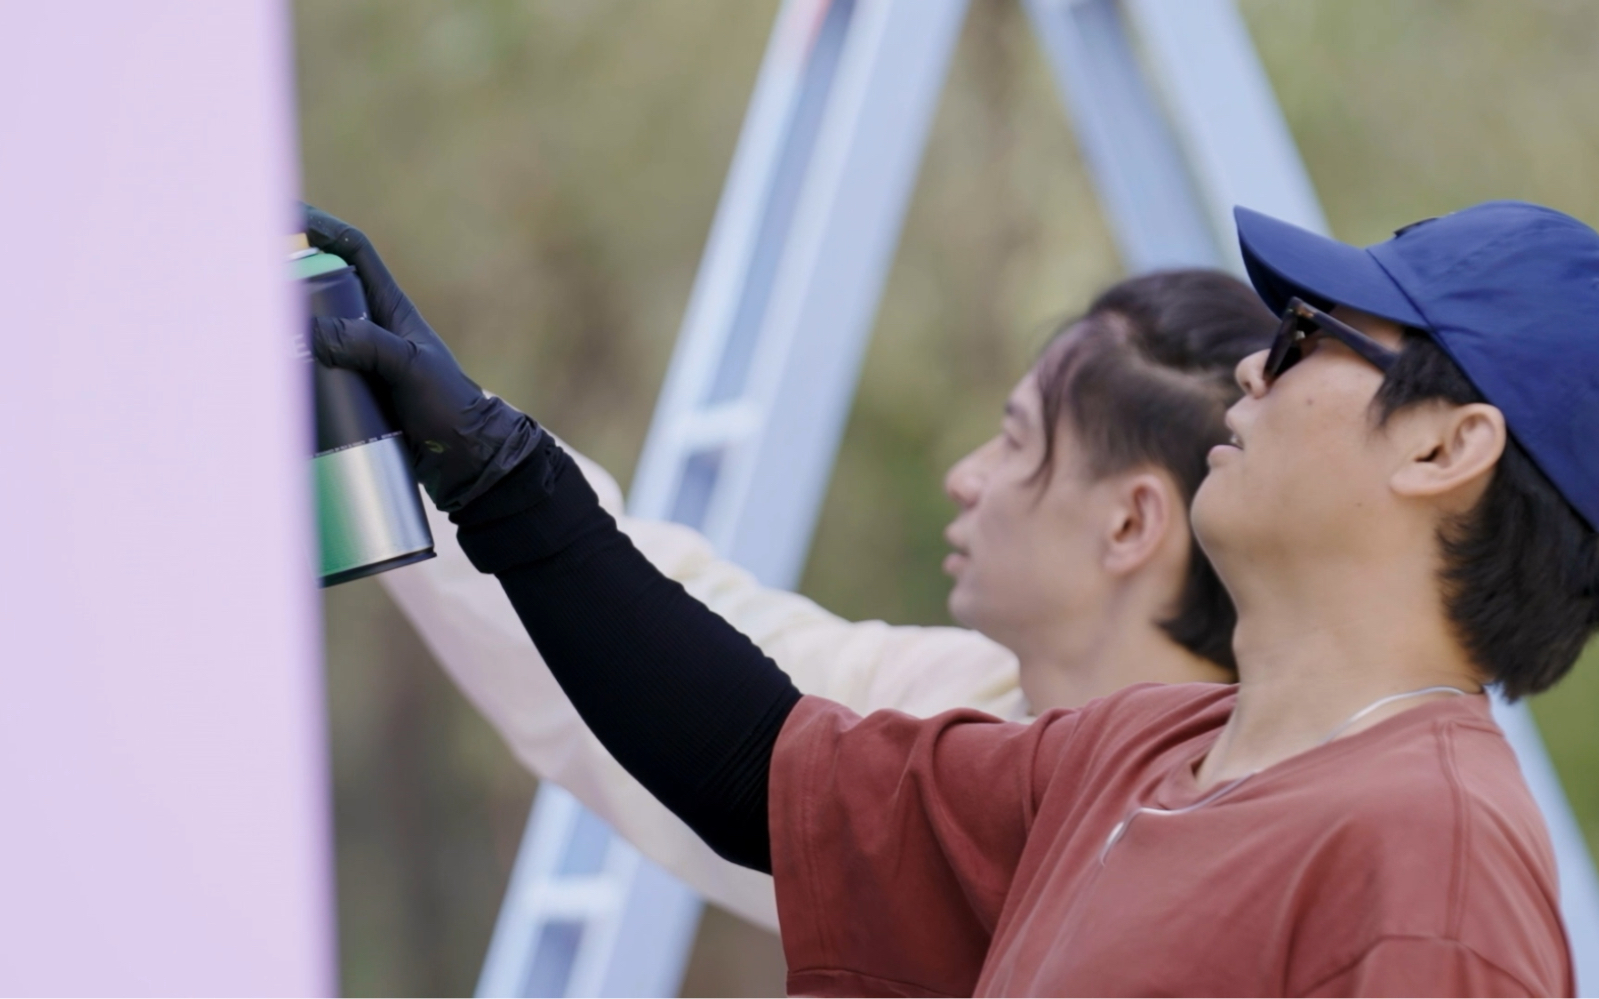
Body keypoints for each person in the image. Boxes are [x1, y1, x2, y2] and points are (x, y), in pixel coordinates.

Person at [310, 199, 1596, 995]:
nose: (1260, 364)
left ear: (1444, 448)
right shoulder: (1134, 756)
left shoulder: (1434, 872)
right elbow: (758, 767)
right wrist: (483, 459)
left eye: (1316, 333)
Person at [377, 263, 1272, 926]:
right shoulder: (958, 703)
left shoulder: (1232, 836)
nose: (965, 477)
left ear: (1129, 523)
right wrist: (414, 425)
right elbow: (674, 639)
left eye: (1014, 442)